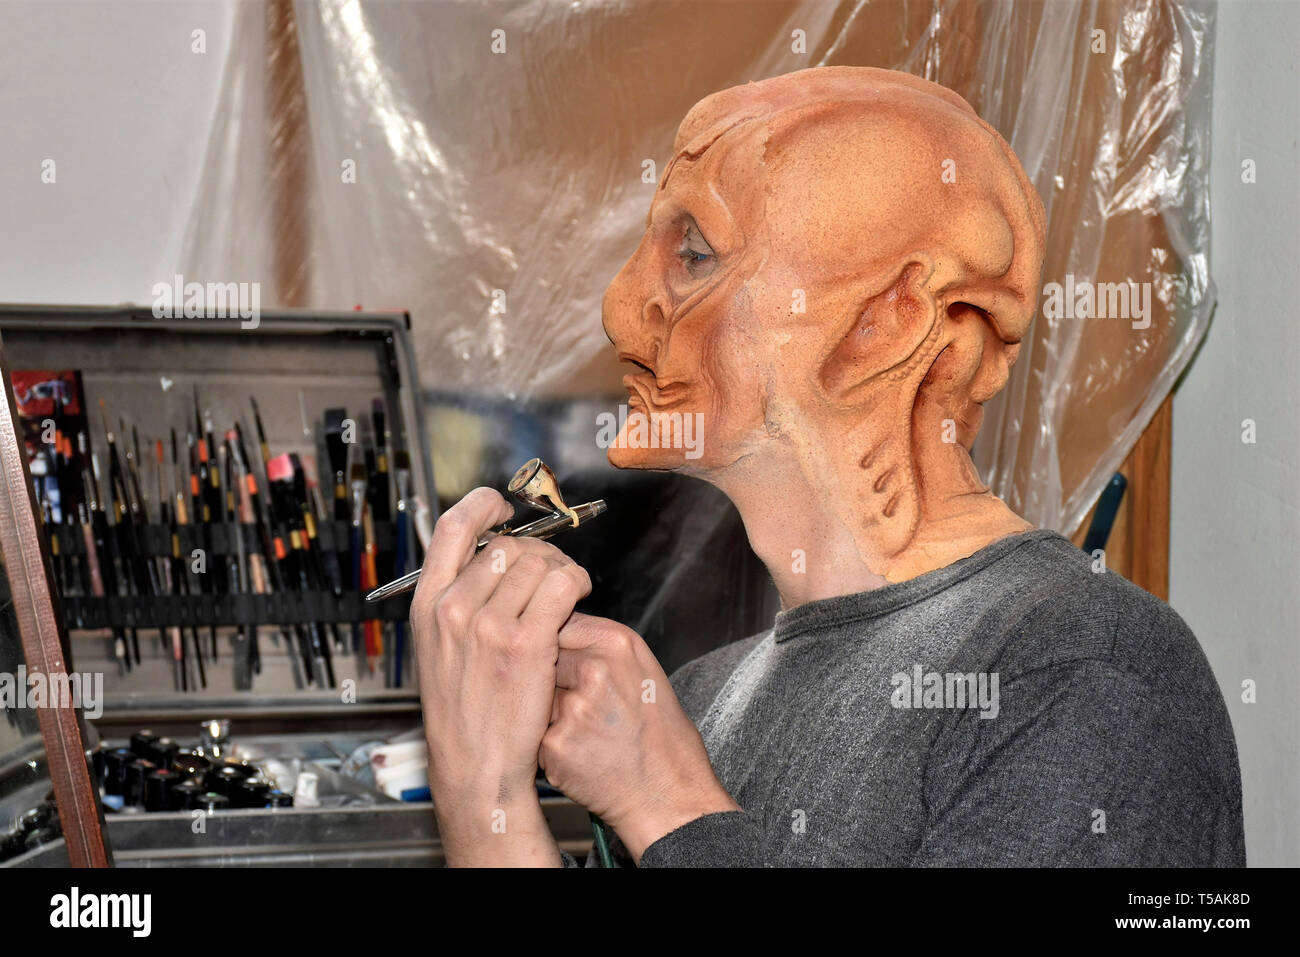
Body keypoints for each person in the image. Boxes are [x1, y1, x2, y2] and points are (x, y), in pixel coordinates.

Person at [411, 66, 1246, 867]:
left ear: (885, 323)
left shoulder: (1084, 669)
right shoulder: (698, 700)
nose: (622, 309)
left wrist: (666, 802)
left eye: (694, 254)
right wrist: (482, 783)